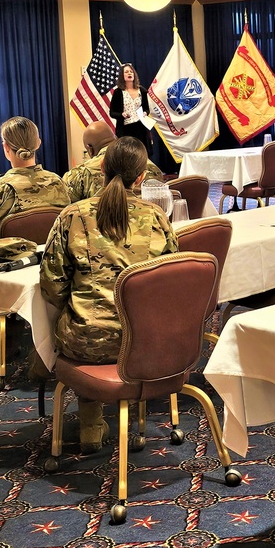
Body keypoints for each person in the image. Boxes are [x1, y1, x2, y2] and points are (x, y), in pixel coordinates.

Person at [40, 137, 178, 452]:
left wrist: (81, 306)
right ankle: (136, 419)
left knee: (75, 327)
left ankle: (90, 426)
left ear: (101, 167)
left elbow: (51, 283)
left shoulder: (72, 216)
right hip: (146, 344)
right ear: (142, 176)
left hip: (85, 342)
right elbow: (172, 281)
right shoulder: (156, 217)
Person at [0, 116, 70, 363]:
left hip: (7, 273)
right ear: (39, 143)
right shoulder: (60, 184)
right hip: (51, 269)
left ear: (6, 148)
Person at [63, 120, 163, 203]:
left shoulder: (79, 173)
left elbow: (63, 208)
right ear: (115, 138)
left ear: (90, 149)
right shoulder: (149, 165)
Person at [110, 63, 152, 151]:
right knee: (127, 154)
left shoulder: (142, 91)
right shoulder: (118, 92)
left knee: (141, 153)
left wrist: (145, 113)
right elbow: (112, 113)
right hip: (125, 129)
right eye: (126, 72)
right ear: (122, 75)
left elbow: (147, 109)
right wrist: (122, 115)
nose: (129, 73)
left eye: (131, 71)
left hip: (140, 127)